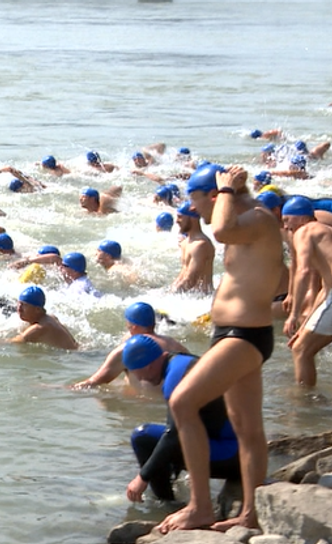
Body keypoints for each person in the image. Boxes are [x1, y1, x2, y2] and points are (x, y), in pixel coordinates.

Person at [156, 163, 282, 533]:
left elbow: (223, 229)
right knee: (247, 428)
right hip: (236, 333)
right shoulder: (251, 226)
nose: (194, 210)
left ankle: (200, 507)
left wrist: (226, 190)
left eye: (195, 200)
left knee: (183, 402)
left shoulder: (255, 219)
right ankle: (250, 514)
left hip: (243, 337)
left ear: (214, 195)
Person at [121, 336, 240, 504]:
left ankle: (166, 503)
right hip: (243, 449)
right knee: (168, 437)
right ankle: (172, 484)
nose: (141, 381)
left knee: (142, 437)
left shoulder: (175, 381)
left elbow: (174, 435)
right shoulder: (182, 361)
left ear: (148, 367)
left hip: (230, 455)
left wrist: (142, 478)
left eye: (139, 376)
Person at [72, 303, 188, 389]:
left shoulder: (129, 350)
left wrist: (61, 389)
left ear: (133, 327)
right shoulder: (174, 344)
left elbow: (93, 382)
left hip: (142, 406)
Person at [281, 197, 332, 388]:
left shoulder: (305, 231)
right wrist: (303, 327)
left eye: (287, 220)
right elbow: (326, 290)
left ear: (302, 218)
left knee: (301, 350)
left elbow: (303, 271)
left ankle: (305, 405)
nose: (286, 227)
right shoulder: (325, 232)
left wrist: (293, 315)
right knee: (301, 344)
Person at [8, 286, 79, 350]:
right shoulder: (51, 317)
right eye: (19, 303)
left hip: (76, 357)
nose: (19, 309)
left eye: (24, 305)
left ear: (37, 310)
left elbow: (11, 343)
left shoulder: (40, 328)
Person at [171, 201, 215, 295]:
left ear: (192, 218)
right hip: (189, 296)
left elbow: (191, 280)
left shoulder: (201, 245)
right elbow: (183, 273)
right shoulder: (185, 243)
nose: (177, 221)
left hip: (202, 299)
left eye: (180, 217)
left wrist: (170, 296)